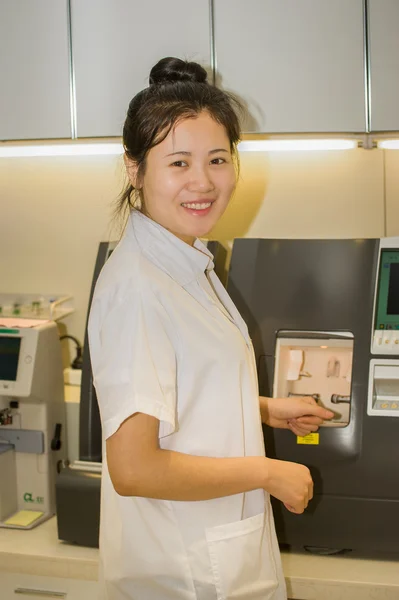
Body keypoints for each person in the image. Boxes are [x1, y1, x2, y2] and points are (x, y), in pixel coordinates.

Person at [88, 57, 334, 600]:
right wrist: (268, 473)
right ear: (135, 169)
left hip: (212, 563)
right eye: (179, 162)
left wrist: (265, 408)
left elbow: (183, 392)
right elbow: (134, 467)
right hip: (182, 576)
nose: (203, 182)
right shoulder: (139, 287)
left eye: (218, 159)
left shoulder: (185, 259)